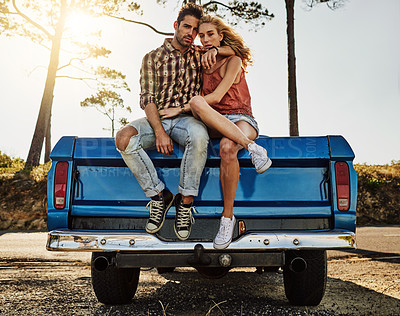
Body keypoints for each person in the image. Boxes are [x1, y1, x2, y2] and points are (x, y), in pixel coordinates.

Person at [115, 4, 234, 241]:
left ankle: (185, 203)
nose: (191, 33)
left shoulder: (200, 54)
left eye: (195, 29)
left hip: (187, 120)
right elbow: (147, 99)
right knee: (123, 138)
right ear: (176, 26)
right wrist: (159, 131)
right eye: (186, 27)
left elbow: (235, 51)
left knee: (200, 136)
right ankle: (160, 196)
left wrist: (217, 51)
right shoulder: (152, 57)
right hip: (157, 118)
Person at [159, 15, 272, 249]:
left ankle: (227, 219)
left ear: (221, 35)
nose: (206, 39)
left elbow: (218, 96)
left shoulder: (234, 60)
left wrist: (220, 51)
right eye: (202, 35)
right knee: (199, 103)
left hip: (241, 118)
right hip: (212, 119)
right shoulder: (199, 58)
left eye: (211, 34)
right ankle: (253, 148)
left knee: (227, 147)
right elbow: (178, 49)